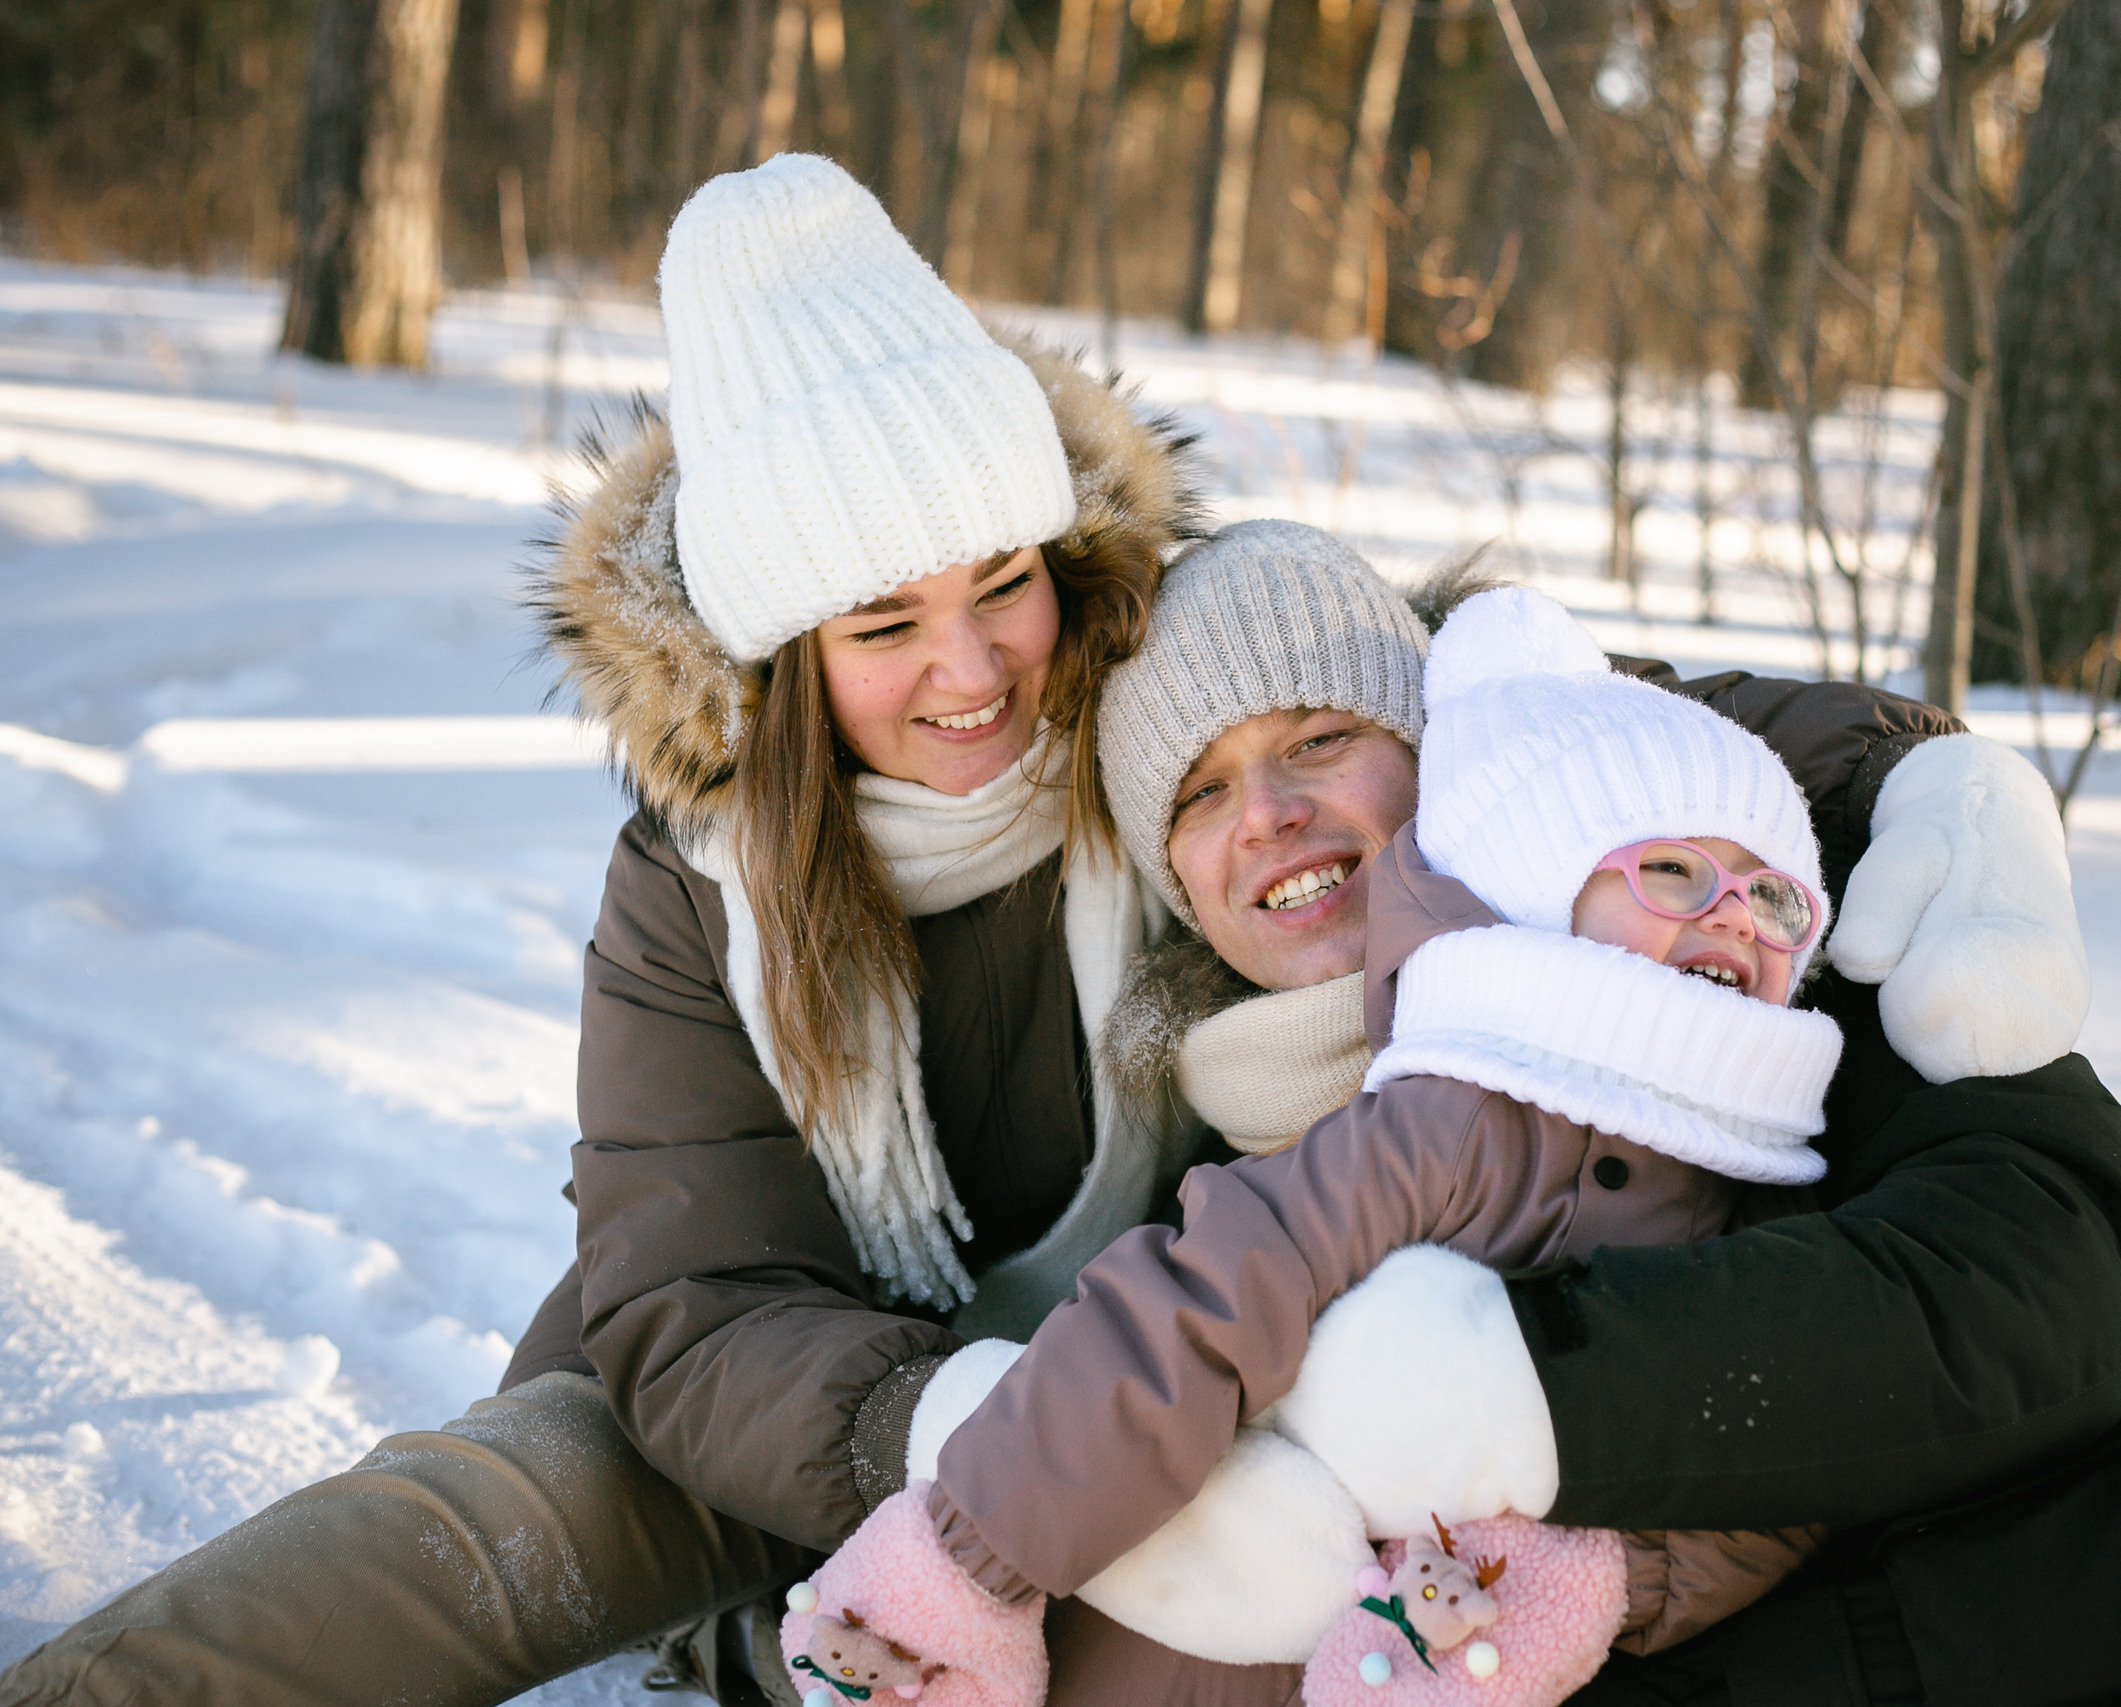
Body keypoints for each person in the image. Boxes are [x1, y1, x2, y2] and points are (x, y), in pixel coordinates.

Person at [0, 161, 2008, 1707]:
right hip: (807, 1389)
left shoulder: (1165, 668)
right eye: (881, 627)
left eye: (999, 586)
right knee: (489, 1519)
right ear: (784, 658)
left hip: (1179, 1362)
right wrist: (944, 1432)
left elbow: (1539, 699)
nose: (969, 672)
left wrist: (1911, 770)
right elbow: (689, 1306)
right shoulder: (694, 891)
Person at [782, 583, 1860, 1707]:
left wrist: (1593, 1578)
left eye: (1322, 737)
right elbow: (1179, 1320)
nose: (1267, 813)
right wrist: (969, 1560)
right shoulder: (1423, 1125)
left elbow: (1810, 1434)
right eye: (1201, 790)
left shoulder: (1789, 1161)